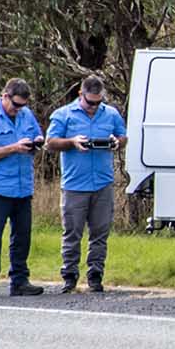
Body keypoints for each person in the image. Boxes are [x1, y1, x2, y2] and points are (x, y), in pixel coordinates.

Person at [46, 74, 127, 293]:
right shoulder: (63, 115)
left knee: (100, 233)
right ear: (80, 94)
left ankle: (95, 274)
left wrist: (115, 142)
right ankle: (69, 276)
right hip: (75, 185)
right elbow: (50, 143)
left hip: (102, 183)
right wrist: (72, 142)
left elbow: (123, 136)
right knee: (72, 232)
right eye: (90, 102)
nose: (93, 107)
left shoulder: (111, 114)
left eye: (98, 102)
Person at [0, 78, 44, 297]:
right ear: (5, 96)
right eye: (15, 105)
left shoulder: (26, 114)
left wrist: (38, 141)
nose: (18, 110)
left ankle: (20, 280)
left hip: (23, 187)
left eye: (22, 106)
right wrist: (13, 148)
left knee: (22, 236)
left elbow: (35, 135)